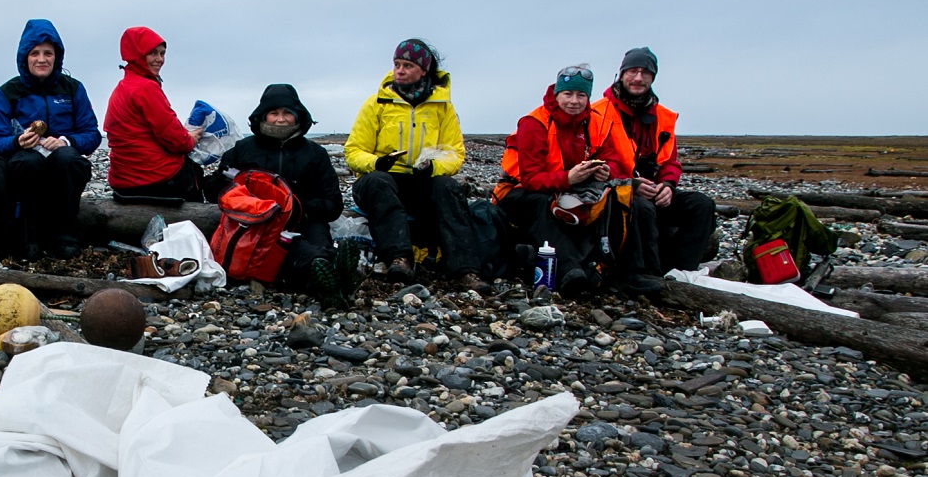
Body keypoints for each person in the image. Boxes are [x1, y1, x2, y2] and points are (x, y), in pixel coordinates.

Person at [492, 64, 661, 296]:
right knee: (543, 203)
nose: (574, 101)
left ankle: (632, 273)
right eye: (568, 94)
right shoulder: (535, 123)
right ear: (557, 94)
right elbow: (530, 178)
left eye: (581, 95)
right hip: (519, 192)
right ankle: (570, 270)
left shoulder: (595, 122)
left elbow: (613, 160)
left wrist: (605, 171)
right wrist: (568, 178)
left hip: (571, 188)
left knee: (622, 198)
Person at [343, 39, 489, 290]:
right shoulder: (376, 103)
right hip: (381, 181)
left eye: (407, 65)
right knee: (379, 181)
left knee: (446, 186)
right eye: (397, 64)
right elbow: (353, 151)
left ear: (424, 70)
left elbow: (455, 153)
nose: (399, 70)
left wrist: (433, 168)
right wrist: (377, 162)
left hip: (421, 181)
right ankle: (399, 258)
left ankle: (466, 270)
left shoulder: (443, 108)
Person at [203, 83, 356, 303]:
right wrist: (220, 178)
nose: (280, 119)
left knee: (315, 242)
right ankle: (334, 273)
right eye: (274, 113)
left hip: (306, 221)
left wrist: (294, 207)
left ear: (299, 116)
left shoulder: (315, 154)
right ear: (262, 116)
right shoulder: (243, 150)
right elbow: (214, 195)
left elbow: (333, 205)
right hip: (256, 226)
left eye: (287, 113)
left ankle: (330, 275)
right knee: (301, 254)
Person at [590, 47, 717, 272]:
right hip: (614, 192)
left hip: (653, 189)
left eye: (645, 72)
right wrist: (631, 184)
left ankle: (680, 272)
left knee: (702, 206)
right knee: (641, 208)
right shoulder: (597, 113)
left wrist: (667, 185)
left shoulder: (662, 117)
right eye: (633, 71)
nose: (638, 78)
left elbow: (671, 161)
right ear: (621, 74)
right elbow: (594, 162)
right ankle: (647, 272)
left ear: (652, 77)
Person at [0, 19, 101, 260]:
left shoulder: (72, 88)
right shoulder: (7, 92)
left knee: (69, 159)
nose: (42, 59)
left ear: (57, 56)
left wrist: (66, 141)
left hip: (61, 161)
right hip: (25, 161)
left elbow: (92, 134)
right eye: (35, 53)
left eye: (48, 53)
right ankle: (29, 239)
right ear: (25, 57)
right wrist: (17, 141)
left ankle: (65, 237)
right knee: (27, 162)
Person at [103, 27, 204, 201]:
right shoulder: (146, 88)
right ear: (137, 54)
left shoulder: (122, 87)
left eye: (162, 54)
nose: (159, 59)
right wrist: (191, 139)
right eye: (152, 53)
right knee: (195, 171)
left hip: (122, 180)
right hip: (153, 179)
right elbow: (177, 140)